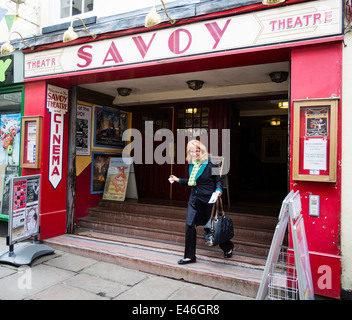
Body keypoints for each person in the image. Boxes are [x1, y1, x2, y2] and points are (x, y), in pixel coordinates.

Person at [169, 139, 234, 265]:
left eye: (197, 151)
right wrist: (178, 180)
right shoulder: (192, 163)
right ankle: (189, 256)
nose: (195, 154)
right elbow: (192, 181)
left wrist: (219, 189)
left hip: (209, 200)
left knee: (214, 226)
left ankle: (228, 247)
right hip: (194, 199)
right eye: (192, 152)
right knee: (189, 225)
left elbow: (218, 180)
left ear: (202, 150)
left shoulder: (211, 163)